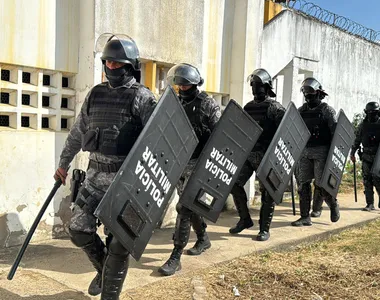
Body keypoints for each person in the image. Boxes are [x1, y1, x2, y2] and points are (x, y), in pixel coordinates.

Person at [54, 35, 157, 299]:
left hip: (126, 183)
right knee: (78, 229)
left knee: (118, 245)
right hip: (94, 177)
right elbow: (78, 132)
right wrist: (63, 164)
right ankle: (102, 270)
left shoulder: (143, 98)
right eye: (107, 63)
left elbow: (159, 142)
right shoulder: (96, 94)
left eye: (117, 64)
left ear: (130, 66)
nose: (111, 68)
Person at [158, 63, 221, 276]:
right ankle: (203, 239)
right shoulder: (174, 102)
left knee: (184, 208)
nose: (182, 89)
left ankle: (176, 255)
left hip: (198, 163)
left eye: (186, 86)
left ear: (195, 84)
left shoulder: (207, 104)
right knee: (189, 205)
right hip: (179, 162)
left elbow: (219, 134)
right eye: (179, 85)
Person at [229, 68, 285, 241]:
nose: (255, 88)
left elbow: (285, 134)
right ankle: (245, 220)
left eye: (258, 85)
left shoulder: (275, 108)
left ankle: (264, 228)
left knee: (267, 191)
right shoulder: (249, 107)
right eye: (253, 85)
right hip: (249, 154)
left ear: (267, 87)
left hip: (267, 155)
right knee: (234, 184)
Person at [292, 77, 339, 227]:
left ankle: (332, 204)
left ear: (319, 94)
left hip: (321, 152)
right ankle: (305, 216)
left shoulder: (327, 111)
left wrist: (334, 156)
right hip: (305, 152)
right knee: (303, 185)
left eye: (311, 94)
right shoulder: (301, 111)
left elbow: (335, 134)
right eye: (306, 94)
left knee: (321, 184)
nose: (308, 97)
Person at [350, 101, 380, 211]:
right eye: (369, 112)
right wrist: (352, 153)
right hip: (366, 156)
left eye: (374, 112)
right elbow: (357, 140)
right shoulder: (363, 125)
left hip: (378, 158)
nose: (371, 114)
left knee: (378, 179)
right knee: (367, 180)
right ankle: (370, 203)